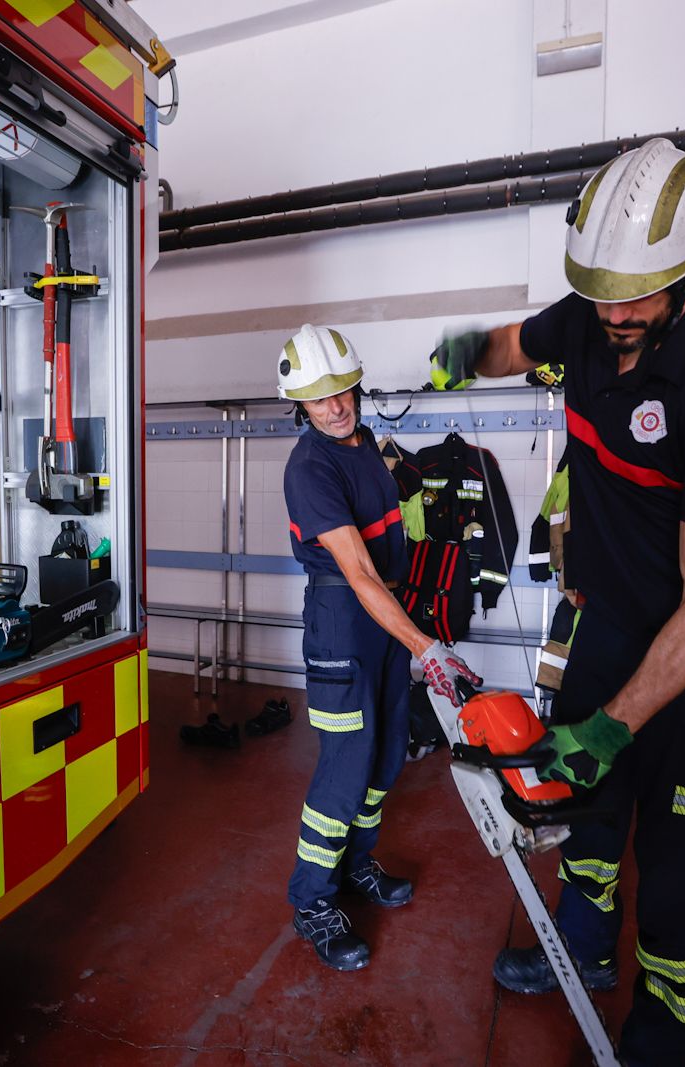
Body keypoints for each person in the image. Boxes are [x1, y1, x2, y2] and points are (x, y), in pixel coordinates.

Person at [427, 137, 685, 1065]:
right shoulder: (588, 316)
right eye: (601, 291)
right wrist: (462, 352)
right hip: (607, 632)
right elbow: (513, 345)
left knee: (679, 891)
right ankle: (579, 952)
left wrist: (614, 727)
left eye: (637, 294)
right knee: (584, 825)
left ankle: (656, 1047)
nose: (615, 312)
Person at [279, 323, 482, 972]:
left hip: (386, 621)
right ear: (300, 406)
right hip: (344, 624)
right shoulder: (310, 467)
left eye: (342, 389)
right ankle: (312, 898)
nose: (335, 405)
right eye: (318, 398)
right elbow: (359, 573)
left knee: (387, 753)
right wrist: (428, 646)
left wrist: (412, 633)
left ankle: (355, 864)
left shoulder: (366, 443)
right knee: (345, 768)